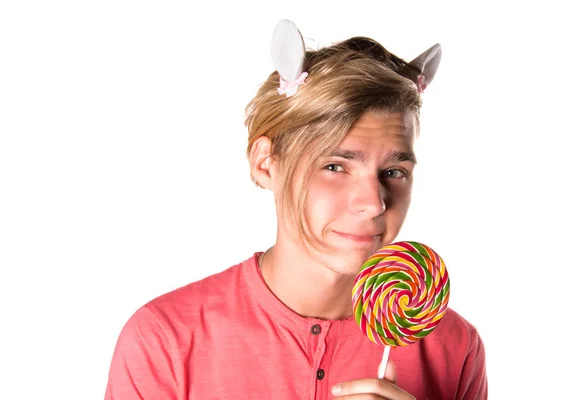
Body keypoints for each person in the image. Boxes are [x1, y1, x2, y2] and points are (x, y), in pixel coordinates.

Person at [104, 19, 487, 400]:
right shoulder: (164, 340)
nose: (373, 202)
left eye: (394, 172)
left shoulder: (455, 348)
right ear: (266, 163)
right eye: (335, 167)